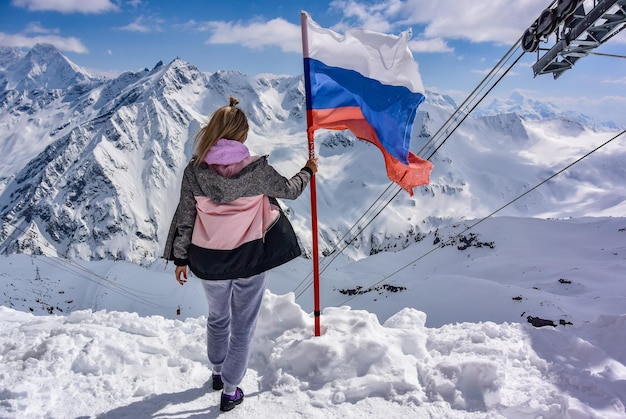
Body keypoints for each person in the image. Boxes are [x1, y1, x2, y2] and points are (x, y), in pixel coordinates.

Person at [163, 96, 318, 412]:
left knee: (218, 318)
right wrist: (308, 170)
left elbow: (186, 216)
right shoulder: (257, 170)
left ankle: (218, 373)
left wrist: (181, 259)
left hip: (208, 260)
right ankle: (230, 391)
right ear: (241, 135)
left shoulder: (195, 171)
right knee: (243, 326)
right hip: (249, 259)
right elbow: (290, 189)